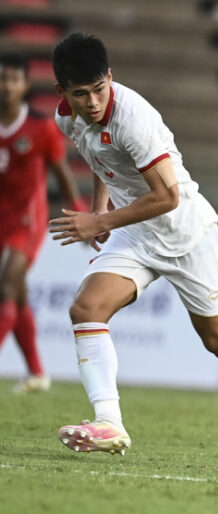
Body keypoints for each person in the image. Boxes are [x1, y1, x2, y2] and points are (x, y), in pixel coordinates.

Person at [48, 33, 218, 456]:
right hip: (135, 231)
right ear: (62, 92)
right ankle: (109, 422)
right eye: (80, 94)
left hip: (184, 232)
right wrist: (99, 209)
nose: (92, 102)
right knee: (86, 308)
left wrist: (99, 220)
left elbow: (168, 196)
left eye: (99, 89)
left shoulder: (133, 119)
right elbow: (101, 161)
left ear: (110, 77)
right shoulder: (67, 118)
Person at [0, 52, 85, 393]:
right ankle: (36, 371)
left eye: (13, 79)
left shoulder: (39, 127)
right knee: (17, 296)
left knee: (6, 285)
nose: (6, 86)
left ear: (24, 85)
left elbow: (61, 172)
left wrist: (78, 212)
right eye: (2, 79)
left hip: (27, 220)